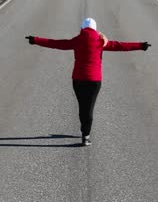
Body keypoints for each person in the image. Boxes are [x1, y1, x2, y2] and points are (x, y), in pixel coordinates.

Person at [26, 18, 150, 146]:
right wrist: (141, 45)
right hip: (94, 81)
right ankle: (86, 135)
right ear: (95, 29)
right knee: (89, 108)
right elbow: (121, 46)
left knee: (82, 107)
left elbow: (56, 43)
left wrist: (35, 40)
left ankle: (84, 130)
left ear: (83, 28)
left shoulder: (77, 40)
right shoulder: (101, 41)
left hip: (78, 79)